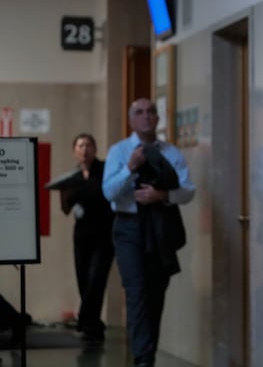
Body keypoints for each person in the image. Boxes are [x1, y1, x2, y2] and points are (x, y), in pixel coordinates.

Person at [102, 98, 195, 367]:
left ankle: (147, 356)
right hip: (129, 229)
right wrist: (130, 168)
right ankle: (143, 360)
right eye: (140, 113)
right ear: (132, 120)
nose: (146, 117)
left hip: (160, 229)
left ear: (157, 119)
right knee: (137, 291)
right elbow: (108, 192)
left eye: (151, 112)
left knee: (155, 294)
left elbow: (188, 190)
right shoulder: (119, 151)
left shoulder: (171, 152)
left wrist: (163, 194)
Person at [60, 133, 114, 344]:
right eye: (80, 146)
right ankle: (94, 324)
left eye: (89, 145)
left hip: (104, 233)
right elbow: (66, 209)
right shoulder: (71, 178)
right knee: (83, 279)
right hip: (82, 235)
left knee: (96, 279)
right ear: (74, 151)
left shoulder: (105, 170)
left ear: (95, 148)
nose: (85, 149)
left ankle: (87, 322)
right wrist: (62, 195)